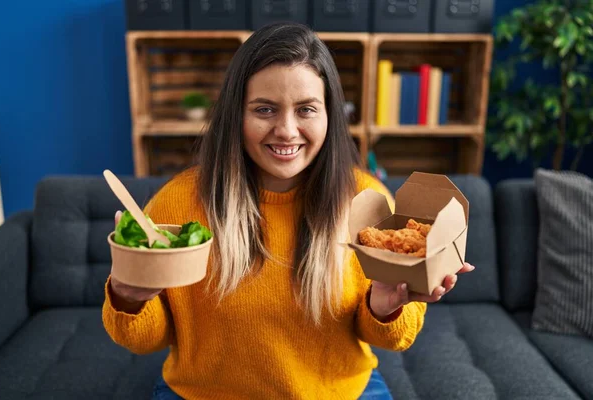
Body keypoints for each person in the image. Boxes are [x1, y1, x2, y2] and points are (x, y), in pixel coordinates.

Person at [102, 22, 474, 400]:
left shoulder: (368, 201)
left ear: (328, 115)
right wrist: (128, 296)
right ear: (236, 115)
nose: (286, 130)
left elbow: (391, 339)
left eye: (306, 110)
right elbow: (146, 340)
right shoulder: (177, 203)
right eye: (265, 109)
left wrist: (386, 306)